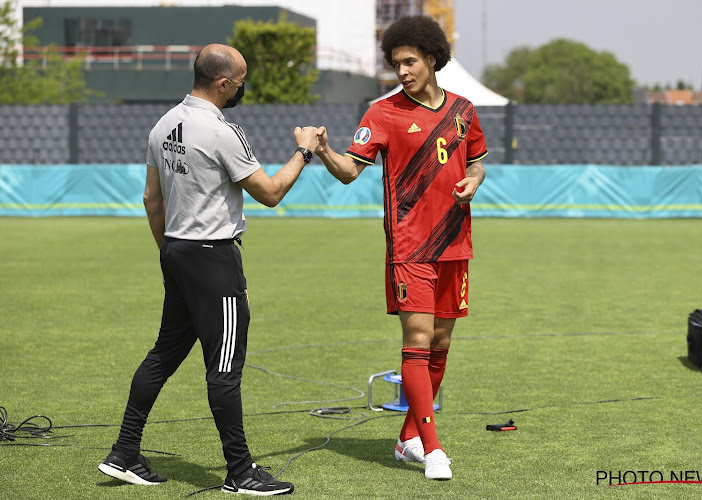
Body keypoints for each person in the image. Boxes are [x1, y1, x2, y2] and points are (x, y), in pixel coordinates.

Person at [97, 43, 317, 496]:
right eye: (240, 81)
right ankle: (240, 472)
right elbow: (271, 193)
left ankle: (124, 452)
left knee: (162, 356)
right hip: (213, 257)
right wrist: (304, 151)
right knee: (224, 370)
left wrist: (167, 255)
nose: (242, 88)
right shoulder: (221, 130)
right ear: (222, 84)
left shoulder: (163, 125)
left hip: (177, 251)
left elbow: (150, 200)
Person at [313, 16, 487, 480]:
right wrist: (326, 151)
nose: (402, 70)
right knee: (417, 343)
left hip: (456, 243)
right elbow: (350, 171)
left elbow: (476, 163)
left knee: (442, 343)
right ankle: (432, 450)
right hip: (410, 247)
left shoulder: (465, 110)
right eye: (395, 63)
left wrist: (473, 180)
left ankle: (407, 437)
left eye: (410, 61)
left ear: (432, 58)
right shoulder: (382, 114)